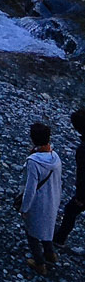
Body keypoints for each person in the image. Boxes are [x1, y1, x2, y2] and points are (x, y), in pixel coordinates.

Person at [20, 122, 63, 274]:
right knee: (47, 228)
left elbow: (30, 188)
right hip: (52, 199)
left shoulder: (33, 161)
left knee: (32, 234)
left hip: (38, 203)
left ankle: (39, 264)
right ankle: (50, 254)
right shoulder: (55, 157)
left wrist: (24, 208)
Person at [53, 107, 85, 251]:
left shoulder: (83, 149)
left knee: (71, 210)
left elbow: (83, 175)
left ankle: (59, 239)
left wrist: (80, 196)